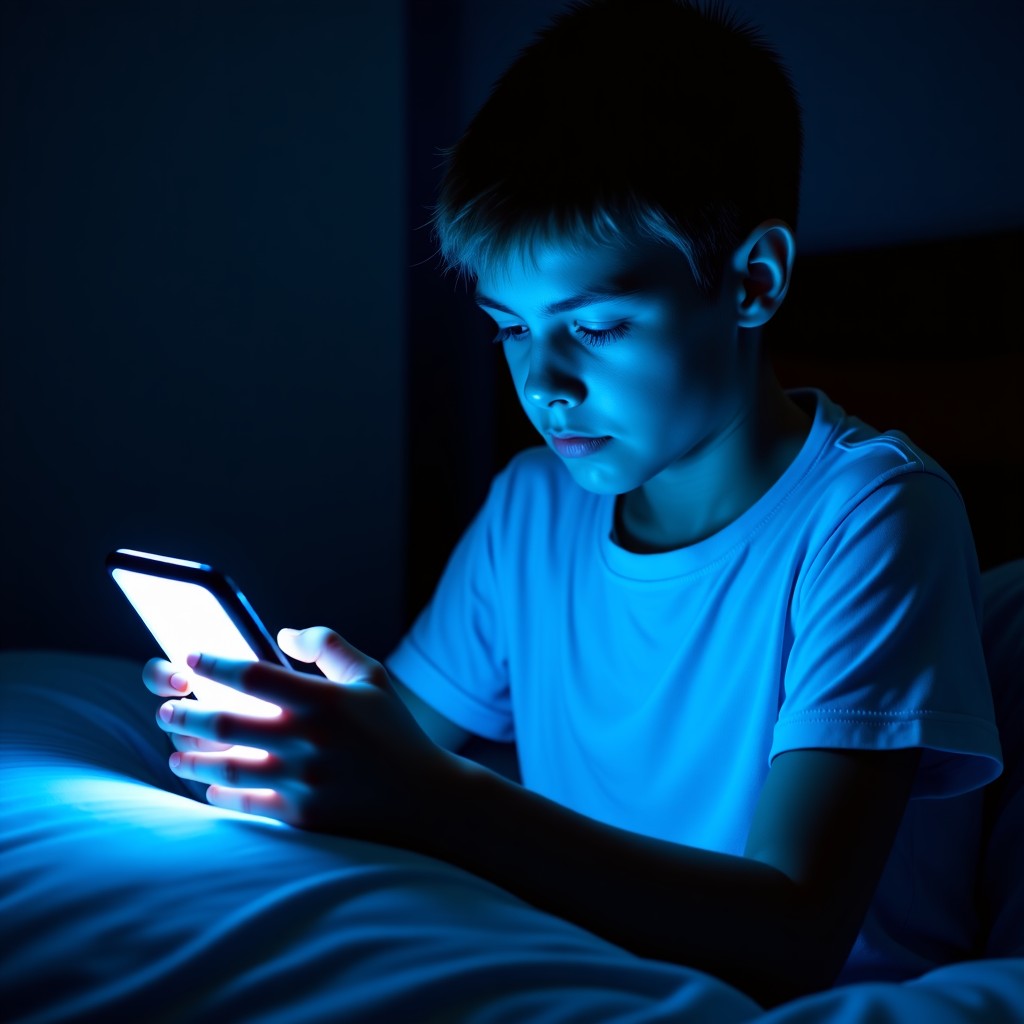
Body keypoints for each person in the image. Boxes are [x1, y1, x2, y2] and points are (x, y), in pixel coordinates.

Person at [142, 0, 1003, 1007]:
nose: (542, 382)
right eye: (509, 326)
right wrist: (303, 732)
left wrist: (428, 793)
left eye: (592, 328)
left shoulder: (871, 515)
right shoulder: (531, 510)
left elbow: (793, 934)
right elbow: (405, 750)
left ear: (753, 281)